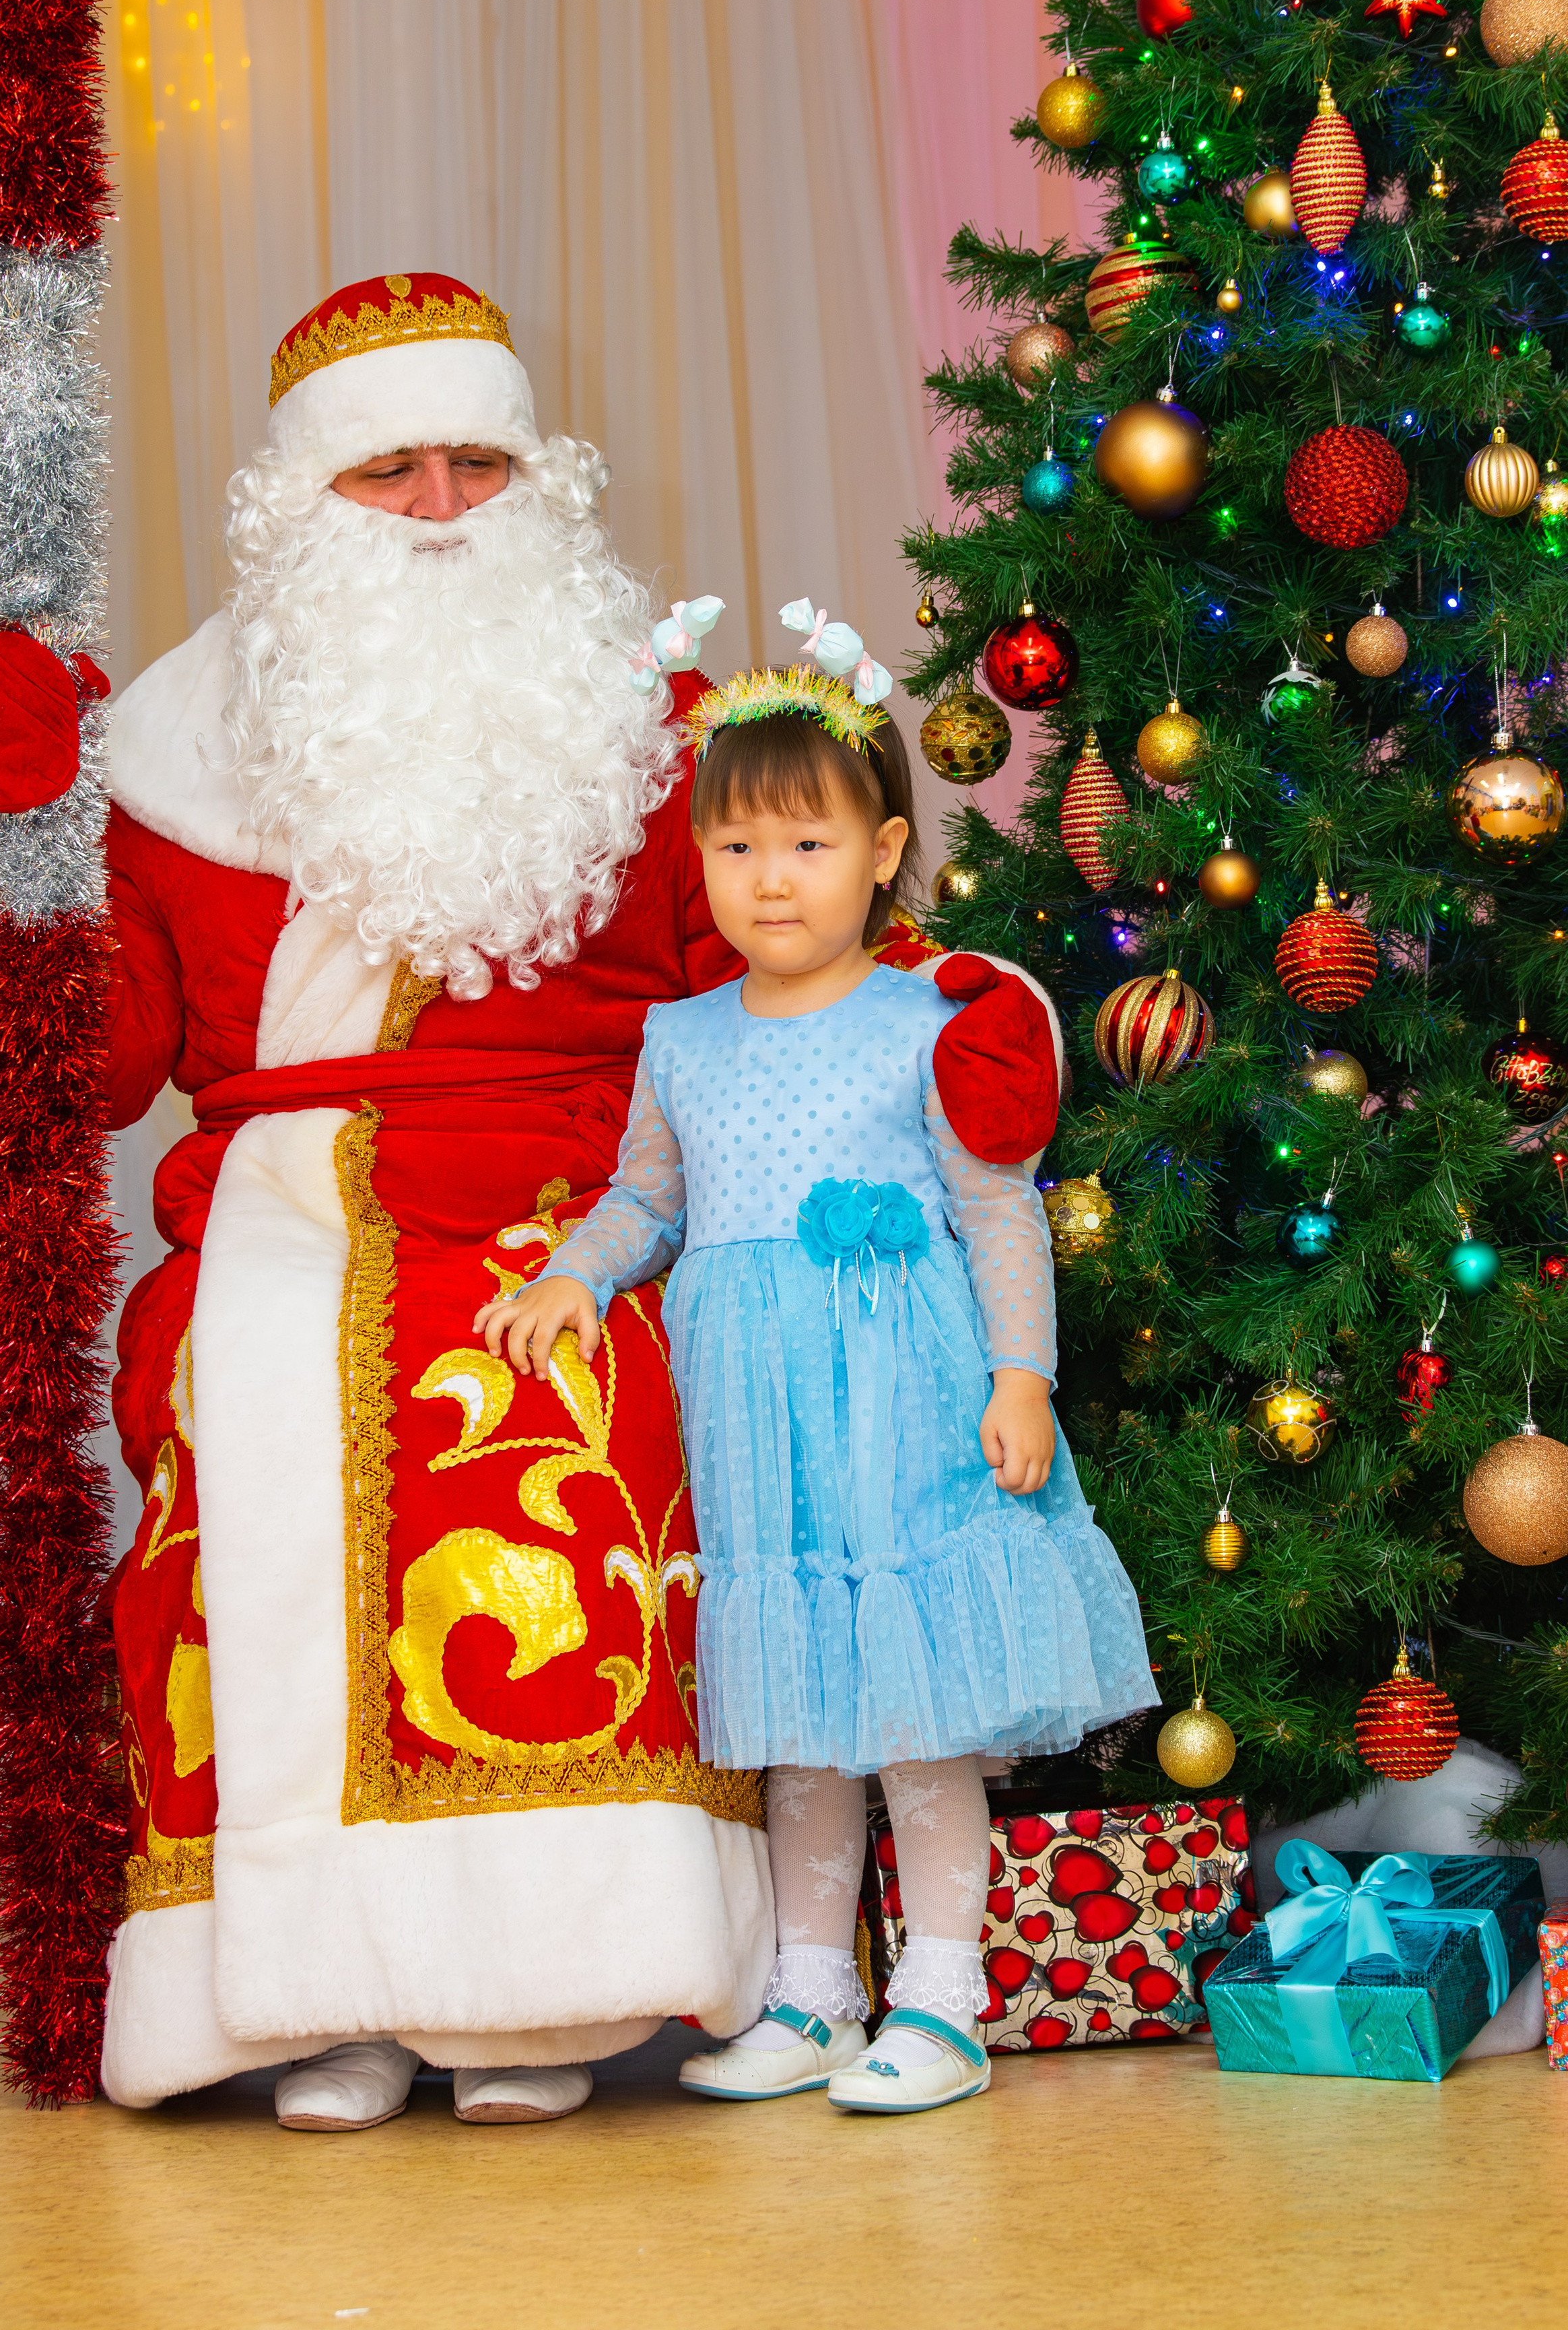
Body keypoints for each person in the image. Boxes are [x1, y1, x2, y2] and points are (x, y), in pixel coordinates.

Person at [0, 271, 1032, 2131]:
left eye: (473, 464)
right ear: (298, 504)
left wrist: (942, 1045)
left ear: (536, 479)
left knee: (560, 1392)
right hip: (271, 1213)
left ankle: (552, 1992)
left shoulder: (661, 731)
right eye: (385, 471)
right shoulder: (167, 756)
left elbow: (797, 964)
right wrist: (13, 825)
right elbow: (80, 1073)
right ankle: (321, 2000)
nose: (434, 508)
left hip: (592, 1192)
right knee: (248, 1387)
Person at [483, 650, 1155, 2114]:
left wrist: (1020, 1376)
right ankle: (810, 1994)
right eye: (735, 847)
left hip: (905, 1401)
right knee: (796, 1715)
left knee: (912, 1712)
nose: (768, 879)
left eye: (807, 843)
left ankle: (941, 1991)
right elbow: (644, 1202)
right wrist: (574, 1274)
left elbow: (995, 1210)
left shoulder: (927, 1023)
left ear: (884, 852)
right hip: (758, 1418)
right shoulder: (681, 1039)